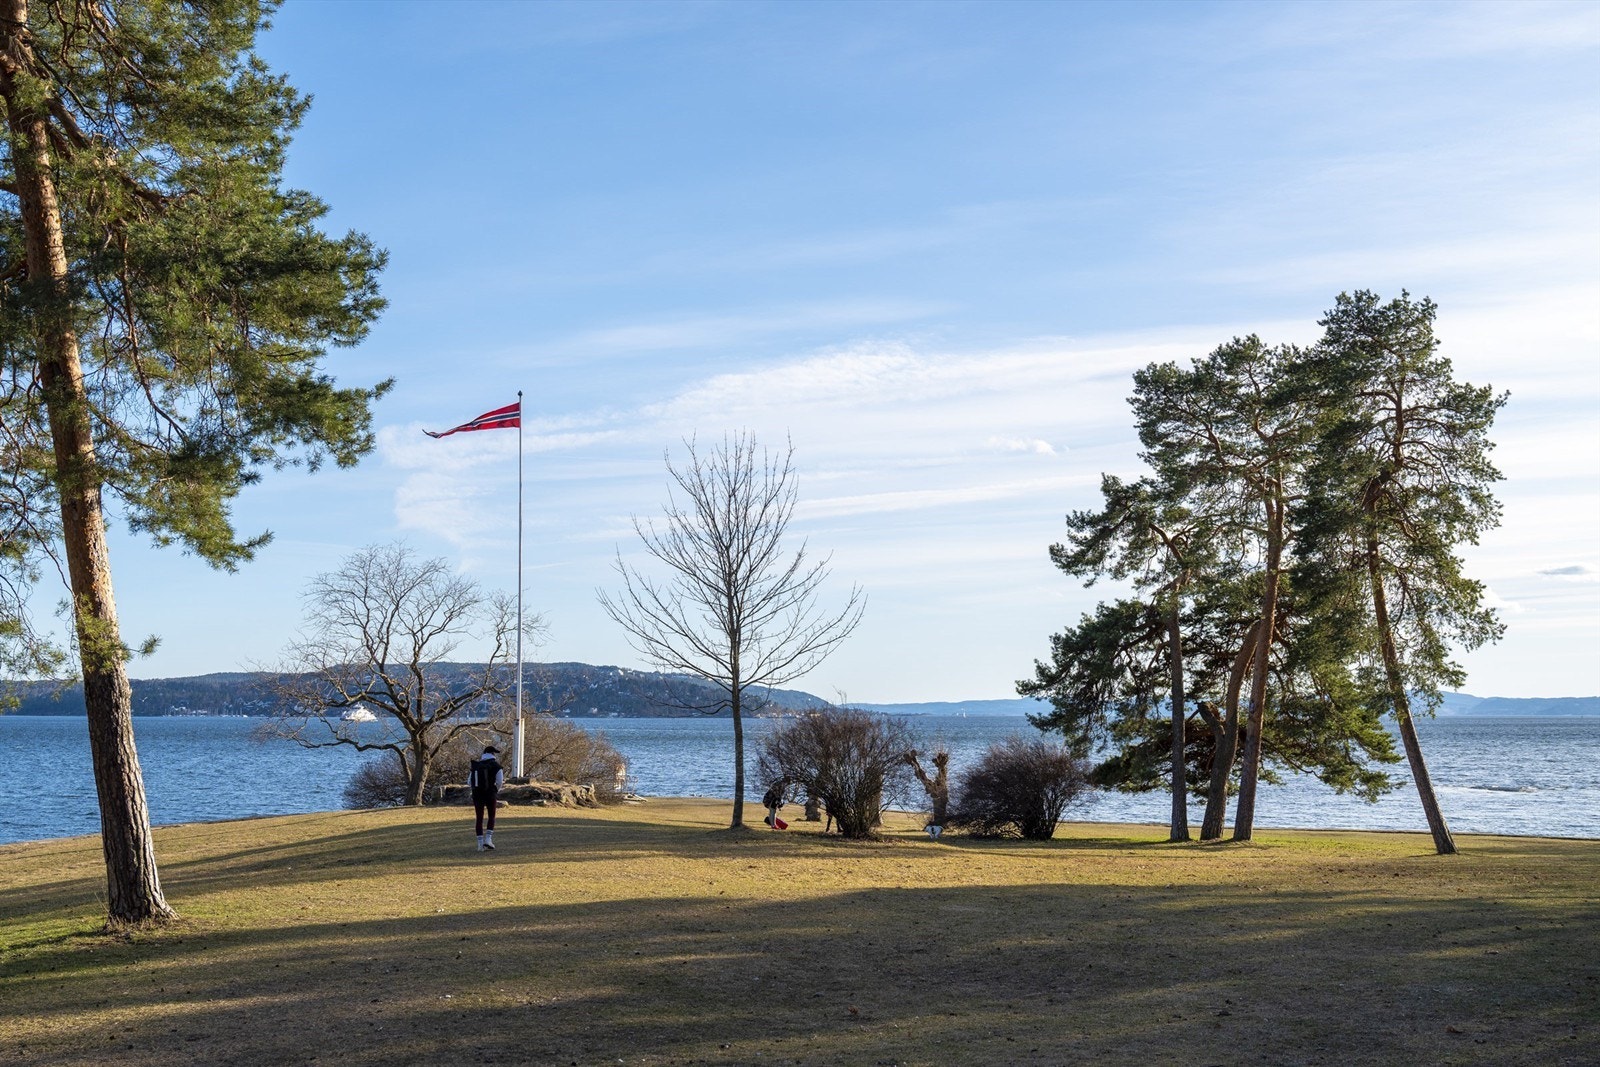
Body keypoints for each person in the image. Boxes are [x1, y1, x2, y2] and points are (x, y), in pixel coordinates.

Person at [468, 745, 504, 851]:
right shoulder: (496, 766)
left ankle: (480, 844)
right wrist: (495, 790)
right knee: (491, 816)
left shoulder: (476, 765)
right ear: (493, 754)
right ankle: (488, 840)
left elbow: (469, 781)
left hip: (477, 794)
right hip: (490, 793)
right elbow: (499, 781)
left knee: (479, 818)